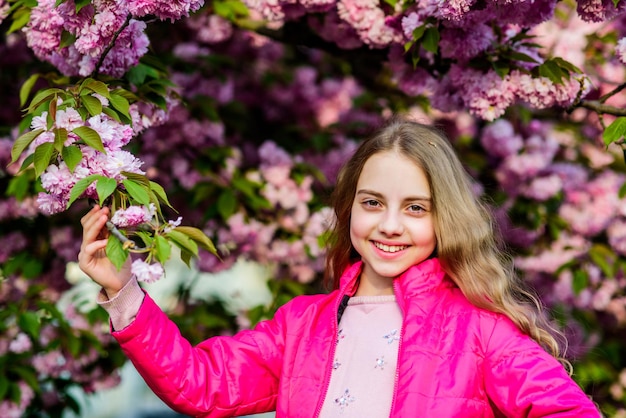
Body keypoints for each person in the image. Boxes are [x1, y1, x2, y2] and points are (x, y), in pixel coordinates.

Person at [78, 117, 602, 417]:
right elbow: (200, 384)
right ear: (350, 207)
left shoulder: (481, 328)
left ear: (445, 220)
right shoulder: (302, 324)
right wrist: (124, 291)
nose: (390, 225)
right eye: (373, 203)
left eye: (415, 208)